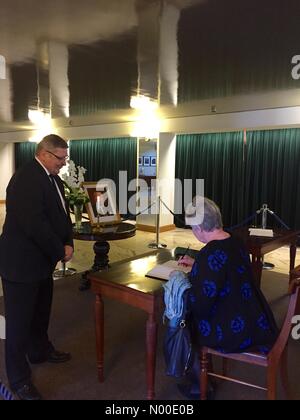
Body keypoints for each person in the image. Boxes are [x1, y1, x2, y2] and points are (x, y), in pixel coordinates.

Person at [177, 196, 278, 399]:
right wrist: (197, 263)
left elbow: (201, 304)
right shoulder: (234, 241)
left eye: (193, 228)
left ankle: (200, 386)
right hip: (256, 318)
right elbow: (225, 269)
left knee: (184, 320)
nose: (194, 233)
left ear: (199, 227)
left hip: (235, 330)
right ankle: (201, 379)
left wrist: (178, 282)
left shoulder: (209, 254)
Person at [0, 134, 74, 400]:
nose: (63, 164)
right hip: (20, 264)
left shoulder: (53, 179)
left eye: (65, 158)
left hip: (42, 262)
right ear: (43, 153)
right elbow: (36, 225)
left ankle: (40, 350)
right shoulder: (26, 178)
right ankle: (19, 379)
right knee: (19, 325)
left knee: (41, 312)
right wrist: (59, 249)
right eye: (60, 158)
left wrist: (69, 242)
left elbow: (63, 216)